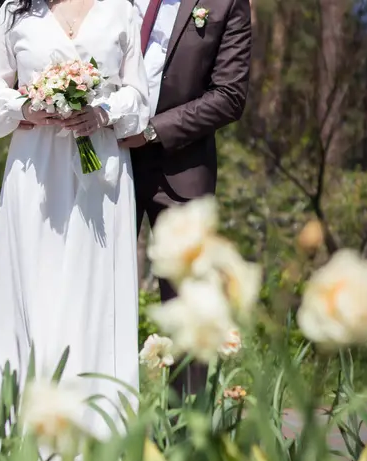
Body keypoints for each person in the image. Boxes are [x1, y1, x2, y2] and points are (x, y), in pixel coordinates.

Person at [0, 0, 150, 450]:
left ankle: (97, 437)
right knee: (35, 287)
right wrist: (27, 107)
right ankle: (18, 434)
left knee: (93, 292)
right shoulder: (15, 12)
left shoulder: (119, 10)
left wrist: (103, 111)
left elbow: (139, 96)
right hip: (35, 172)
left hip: (100, 172)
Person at [120, 0, 252, 396]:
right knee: (97, 290)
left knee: (189, 311)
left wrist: (153, 131)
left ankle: (185, 441)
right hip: (107, 163)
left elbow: (230, 95)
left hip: (181, 170)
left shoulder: (225, 4)